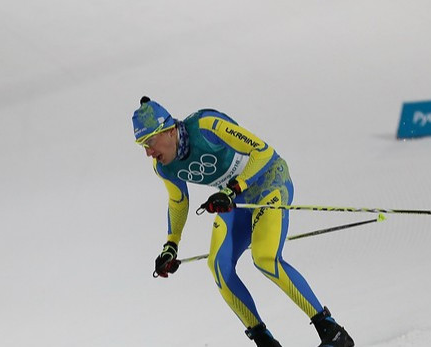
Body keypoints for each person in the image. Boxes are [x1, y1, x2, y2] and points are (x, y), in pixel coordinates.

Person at [132, 96, 355, 347]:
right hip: (235, 198)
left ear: (169, 130)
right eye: (142, 145)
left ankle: (332, 331)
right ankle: (264, 341)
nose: (148, 152)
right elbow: (178, 202)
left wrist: (232, 189)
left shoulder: (206, 126)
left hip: (268, 182)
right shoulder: (163, 167)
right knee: (218, 265)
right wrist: (170, 245)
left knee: (265, 257)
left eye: (150, 141)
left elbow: (263, 152)